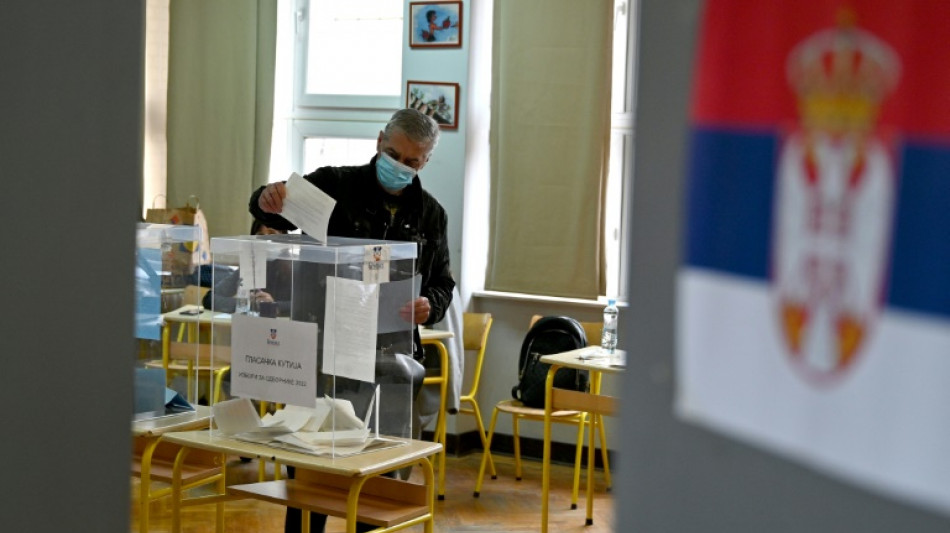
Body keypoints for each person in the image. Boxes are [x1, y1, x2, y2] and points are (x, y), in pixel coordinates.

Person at [249, 108, 454, 533]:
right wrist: (266, 197)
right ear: (379, 141)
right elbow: (271, 212)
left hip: (389, 358)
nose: (399, 165)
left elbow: (442, 283)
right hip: (323, 350)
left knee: (378, 477)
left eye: (412, 161)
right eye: (393, 154)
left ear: (426, 161)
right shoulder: (334, 185)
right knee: (310, 471)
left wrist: (428, 305)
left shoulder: (431, 214)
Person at [200, 220, 288, 315]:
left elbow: (300, 305)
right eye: (260, 236)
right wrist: (246, 304)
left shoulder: (295, 269)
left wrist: (275, 306)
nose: (265, 240)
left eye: (272, 234)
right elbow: (209, 298)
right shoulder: (249, 267)